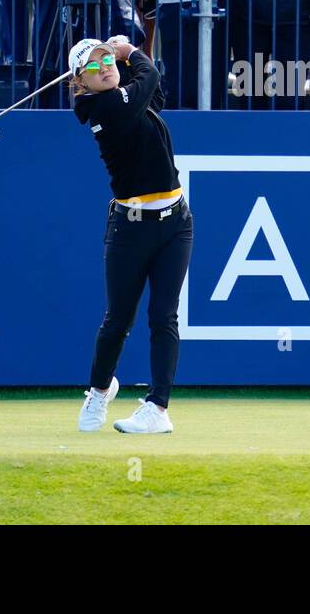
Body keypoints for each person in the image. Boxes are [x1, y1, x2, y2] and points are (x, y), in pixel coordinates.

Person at [71, 36, 192, 435]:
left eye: (106, 58)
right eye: (92, 65)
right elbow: (150, 73)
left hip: (176, 223)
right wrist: (128, 51)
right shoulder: (104, 108)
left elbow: (152, 86)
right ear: (80, 83)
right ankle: (100, 390)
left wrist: (130, 57)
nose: (104, 66)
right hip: (130, 228)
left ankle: (157, 408)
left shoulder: (128, 100)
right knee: (118, 319)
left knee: (163, 316)